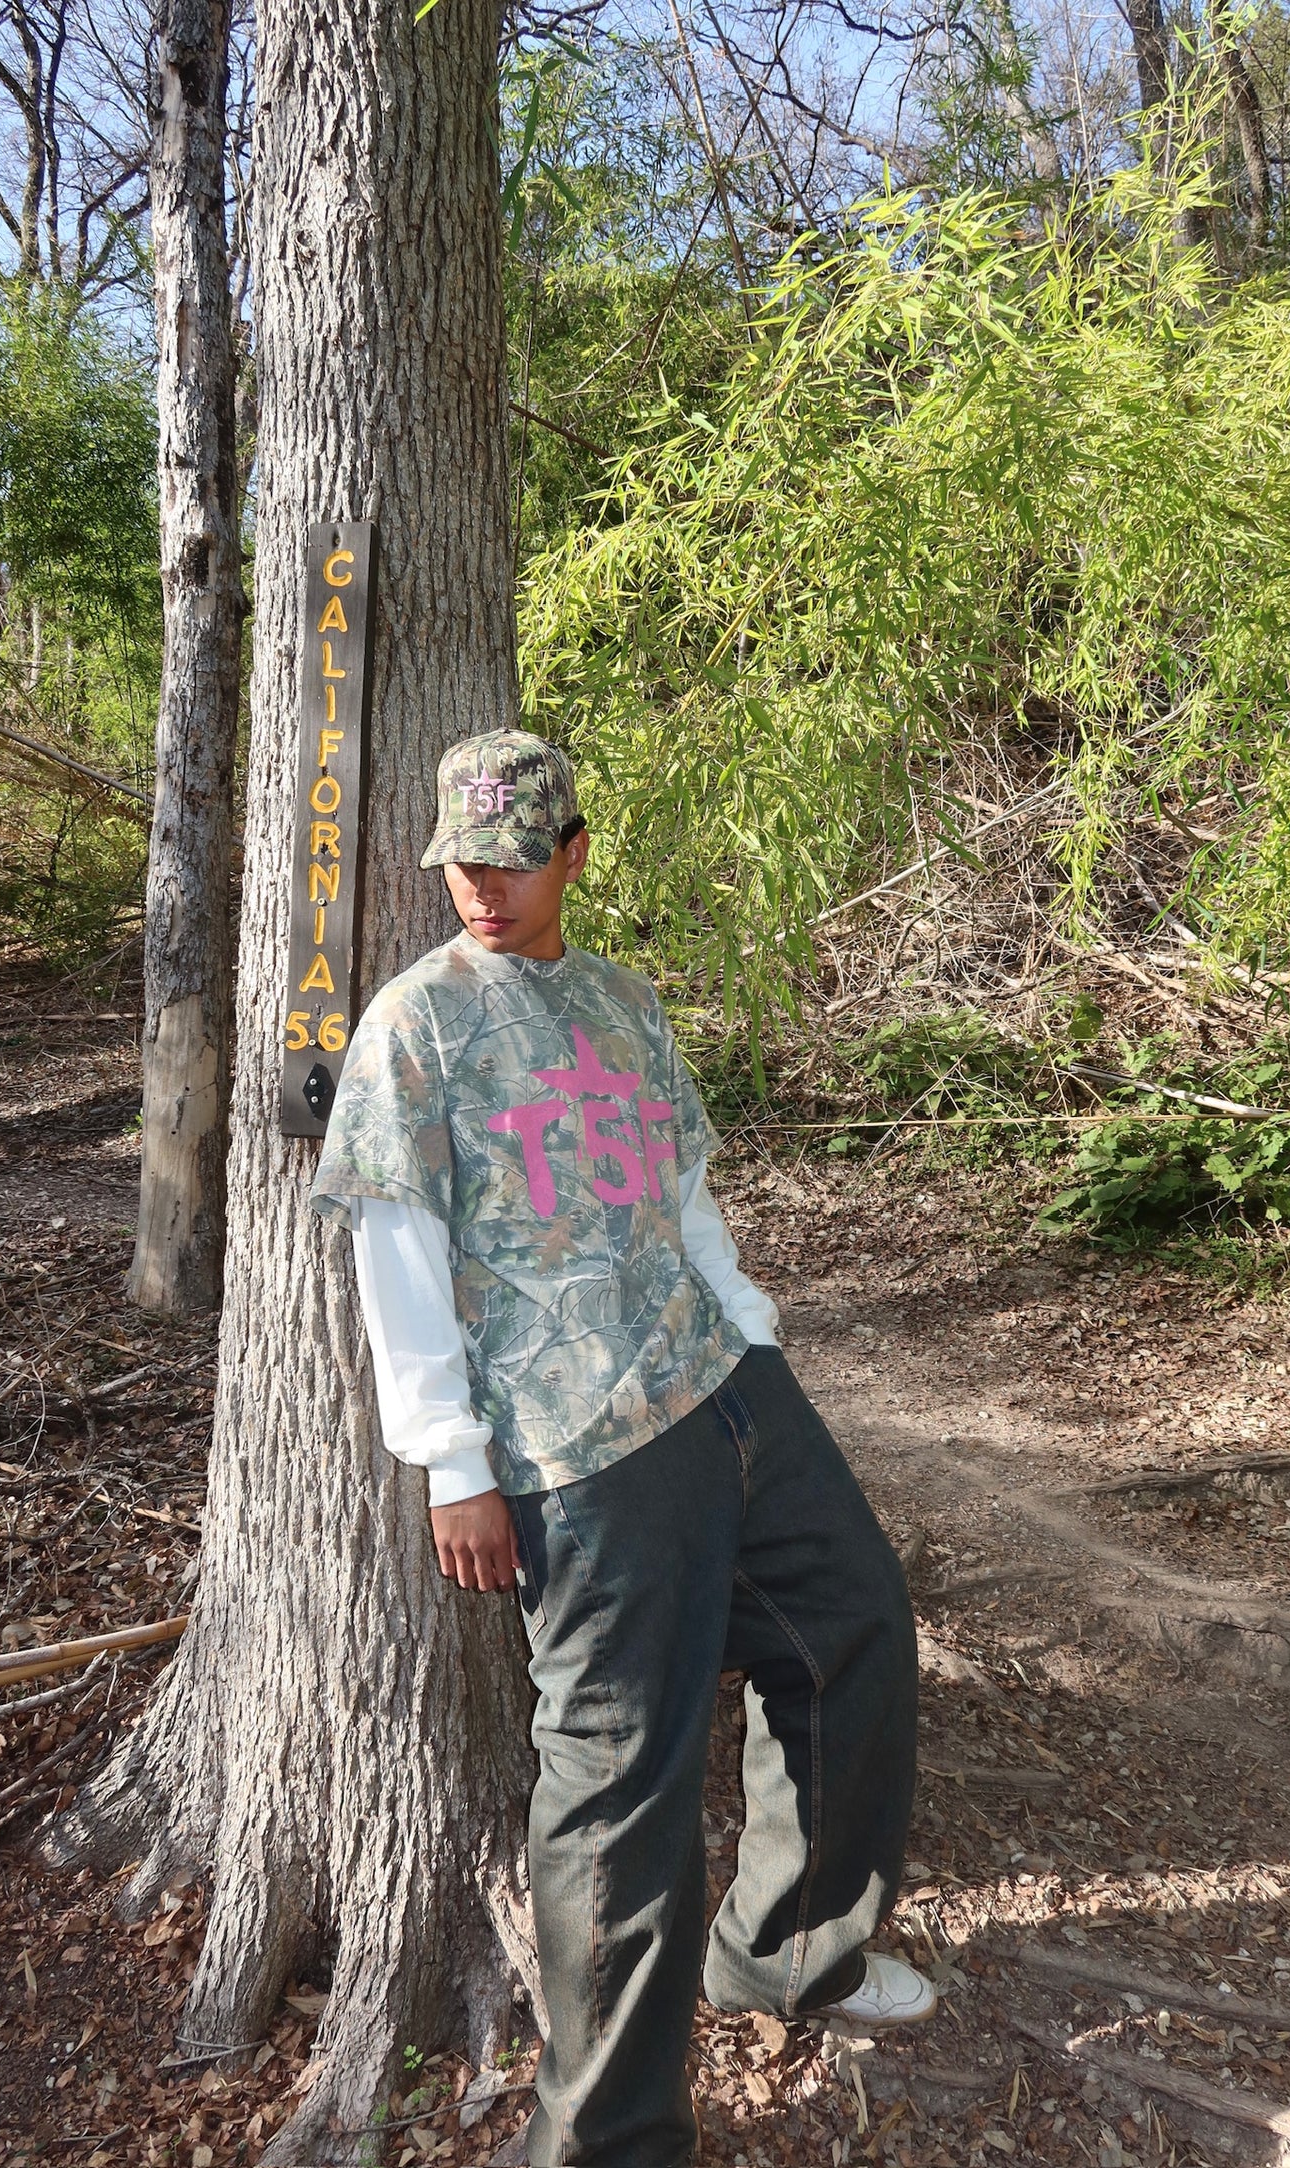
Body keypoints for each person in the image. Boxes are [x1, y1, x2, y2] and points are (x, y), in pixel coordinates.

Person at [311, 729, 931, 2168]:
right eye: (464, 864)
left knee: (853, 1631)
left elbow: (681, 1193)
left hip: (718, 1383)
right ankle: (606, 2140)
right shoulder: (414, 1027)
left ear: (573, 854)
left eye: (515, 862)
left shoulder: (622, 1002)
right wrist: (448, 1458)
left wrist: (753, 1333)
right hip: (572, 1445)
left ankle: (786, 1954)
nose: (486, 889)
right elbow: (394, 1255)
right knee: (618, 1790)